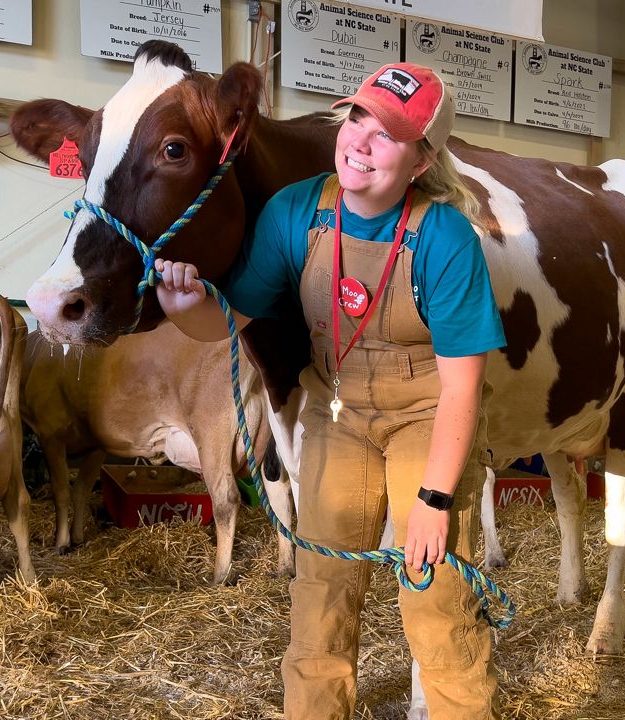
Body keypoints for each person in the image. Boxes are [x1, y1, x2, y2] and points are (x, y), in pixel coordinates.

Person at [155, 62, 505, 719]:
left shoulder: (445, 236)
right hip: (339, 410)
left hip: (427, 412)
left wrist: (434, 500)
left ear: (423, 160)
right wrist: (183, 305)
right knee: (322, 589)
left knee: (434, 591)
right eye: (358, 119)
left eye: (389, 133)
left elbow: (464, 387)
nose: (361, 141)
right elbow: (229, 319)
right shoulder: (297, 212)